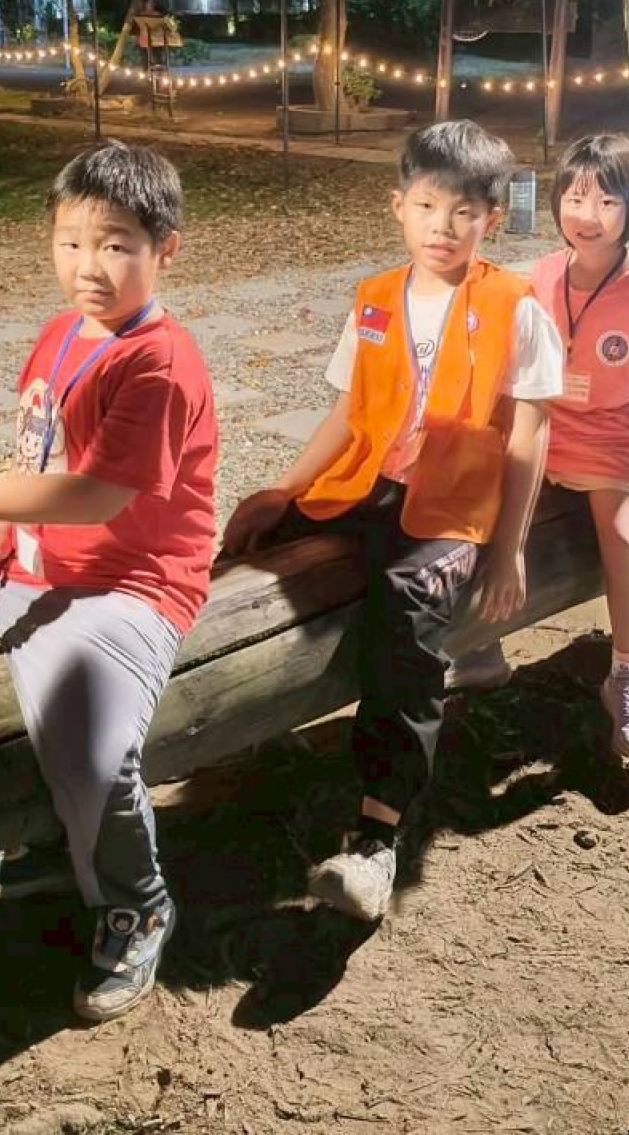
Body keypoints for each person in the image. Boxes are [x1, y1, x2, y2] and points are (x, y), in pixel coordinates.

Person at [0, 140, 217, 1022]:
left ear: (166, 249)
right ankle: (41, 842)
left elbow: (96, 497)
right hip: (38, 564)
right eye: (71, 242)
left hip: (134, 584)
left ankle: (137, 902)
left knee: (93, 745)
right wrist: (0, 535)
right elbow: (40, 454)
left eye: (117, 245)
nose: (89, 266)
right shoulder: (61, 335)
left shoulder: (159, 362)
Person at [220, 120, 562, 922]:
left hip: (450, 503)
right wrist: (283, 489)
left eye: (464, 212)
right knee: (251, 550)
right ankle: (237, 727)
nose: (443, 227)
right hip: (364, 485)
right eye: (428, 206)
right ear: (398, 205)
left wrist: (507, 550)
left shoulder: (513, 305)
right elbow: (349, 411)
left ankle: (378, 837)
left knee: (408, 618)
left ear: (491, 218)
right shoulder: (376, 298)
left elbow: (530, 433)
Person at [449, 134, 629, 756]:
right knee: (473, 502)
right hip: (545, 424)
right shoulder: (541, 275)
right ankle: (477, 645)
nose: (587, 216)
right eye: (574, 198)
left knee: (619, 534)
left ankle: (628, 674)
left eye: (606, 202)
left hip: (616, 434)